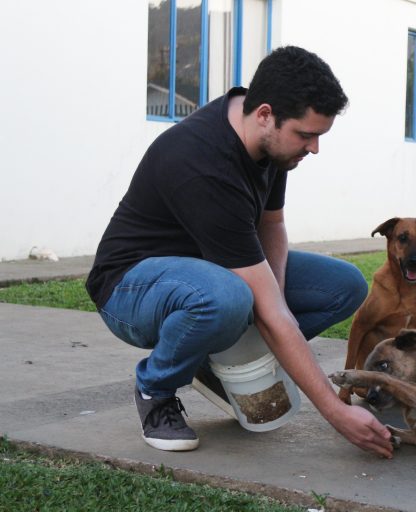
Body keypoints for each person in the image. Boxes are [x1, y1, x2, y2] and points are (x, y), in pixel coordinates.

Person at [85, 46, 393, 458]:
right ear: (265, 113)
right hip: (130, 287)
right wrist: (335, 411)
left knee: (344, 286)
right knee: (229, 298)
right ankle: (155, 389)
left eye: (319, 135)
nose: (315, 147)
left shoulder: (270, 144)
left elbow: (272, 224)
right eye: (306, 135)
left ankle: (209, 361)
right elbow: (262, 306)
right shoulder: (202, 161)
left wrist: (278, 297)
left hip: (210, 270)